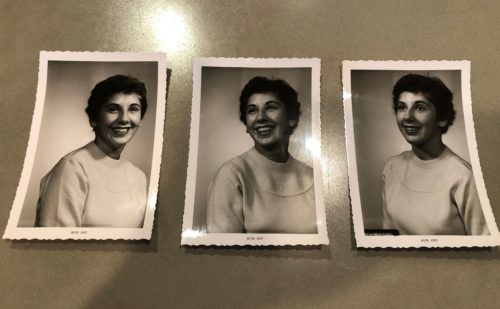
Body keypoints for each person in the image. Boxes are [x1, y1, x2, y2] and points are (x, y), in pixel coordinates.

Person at [206, 76, 317, 233]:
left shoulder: (313, 177)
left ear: (291, 118)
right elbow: (225, 255)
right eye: (252, 110)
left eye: (271, 107)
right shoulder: (232, 174)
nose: (260, 117)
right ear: (246, 124)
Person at [382, 73, 489, 235]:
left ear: (442, 118)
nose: (407, 117)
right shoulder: (391, 168)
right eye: (402, 107)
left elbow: (484, 252)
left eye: (420, 107)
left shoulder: (465, 178)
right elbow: (387, 237)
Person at [35, 75, 148, 228]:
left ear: (140, 120)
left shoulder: (139, 177)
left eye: (133, 109)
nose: (124, 119)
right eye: (113, 109)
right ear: (94, 118)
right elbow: (55, 246)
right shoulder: (73, 167)